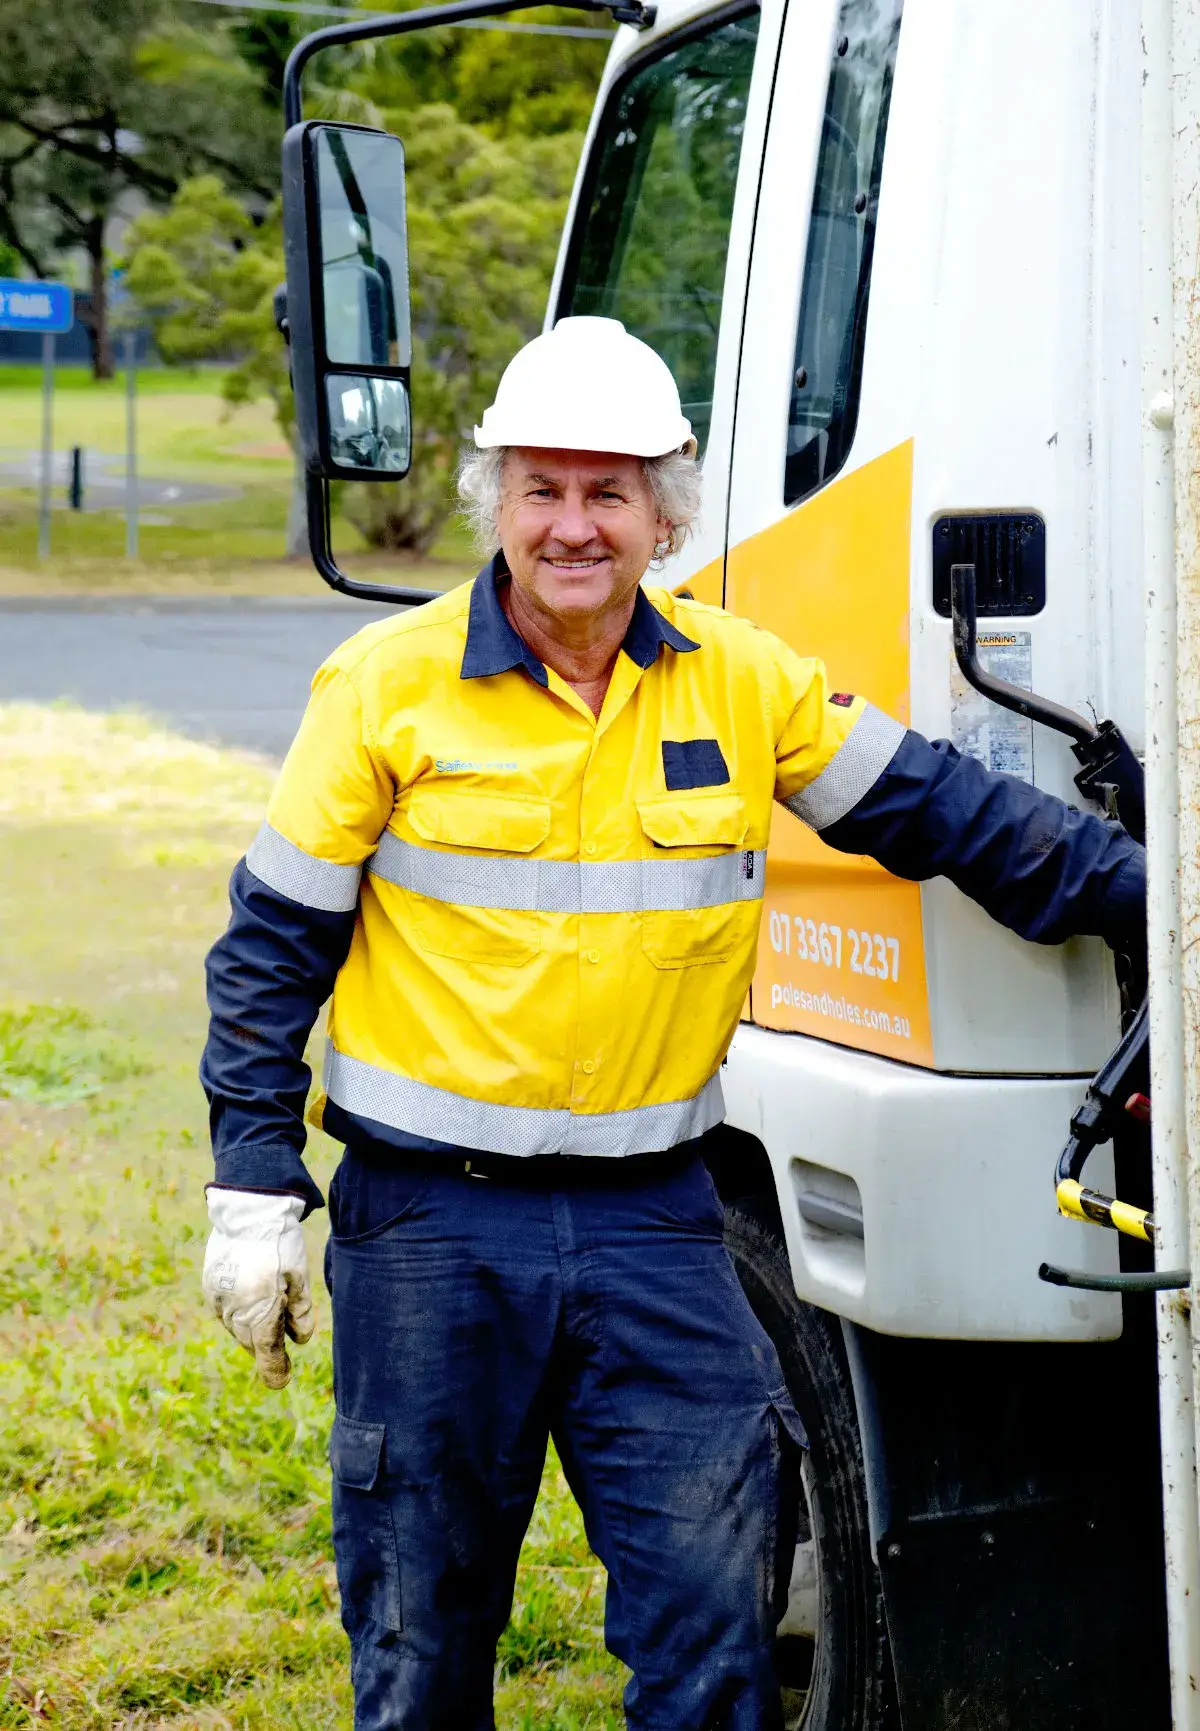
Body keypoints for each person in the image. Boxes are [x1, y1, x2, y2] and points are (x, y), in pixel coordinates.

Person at [199, 316, 1145, 1730]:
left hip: (659, 1228)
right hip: (431, 1237)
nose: (573, 526)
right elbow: (274, 946)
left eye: (609, 492)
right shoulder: (383, 688)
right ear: (497, 502)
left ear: (665, 514)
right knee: (423, 1639)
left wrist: (1157, 903)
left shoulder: (742, 677)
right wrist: (253, 1179)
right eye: (543, 489)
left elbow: (949, 812)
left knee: (712, 1632)